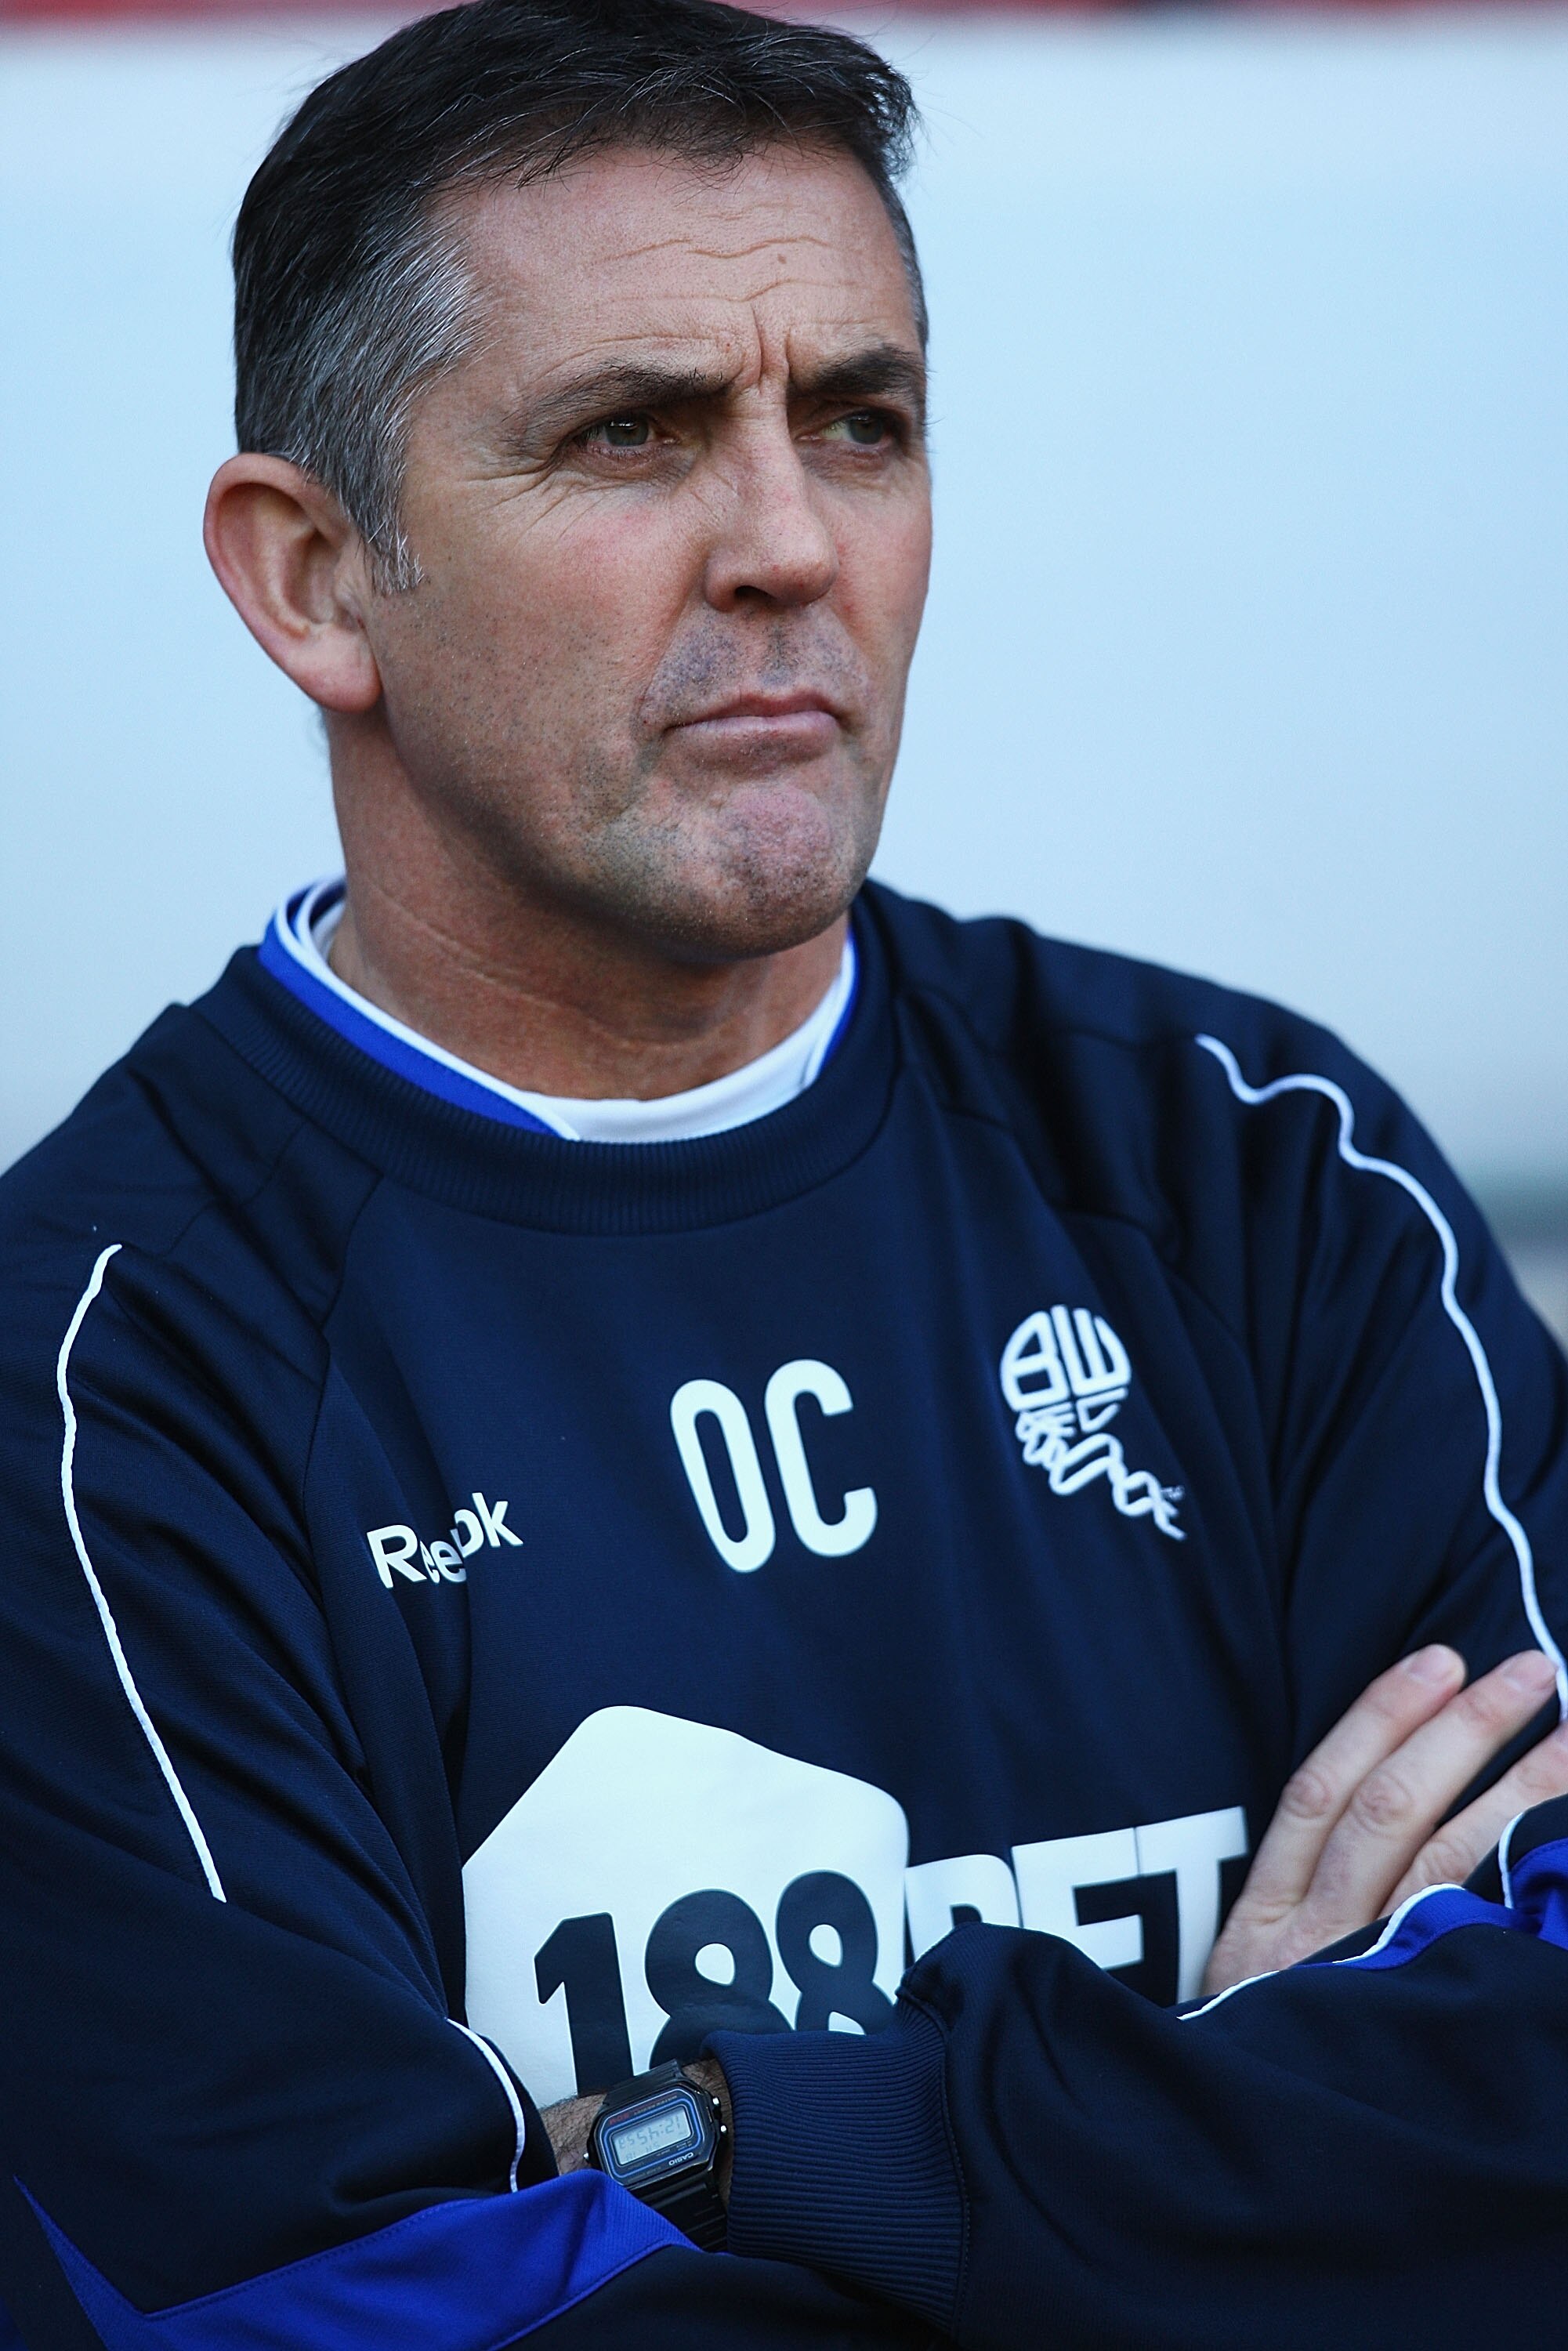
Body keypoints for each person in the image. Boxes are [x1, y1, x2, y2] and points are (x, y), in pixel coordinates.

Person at [3, 0, 1568, 2343]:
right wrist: (1251, 2141)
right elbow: (336, 2303)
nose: (788, 543)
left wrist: (764, 2147)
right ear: (316, 579)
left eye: (863, 420)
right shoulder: (97, 1395)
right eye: (629, 435)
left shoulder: (1259, 1172)